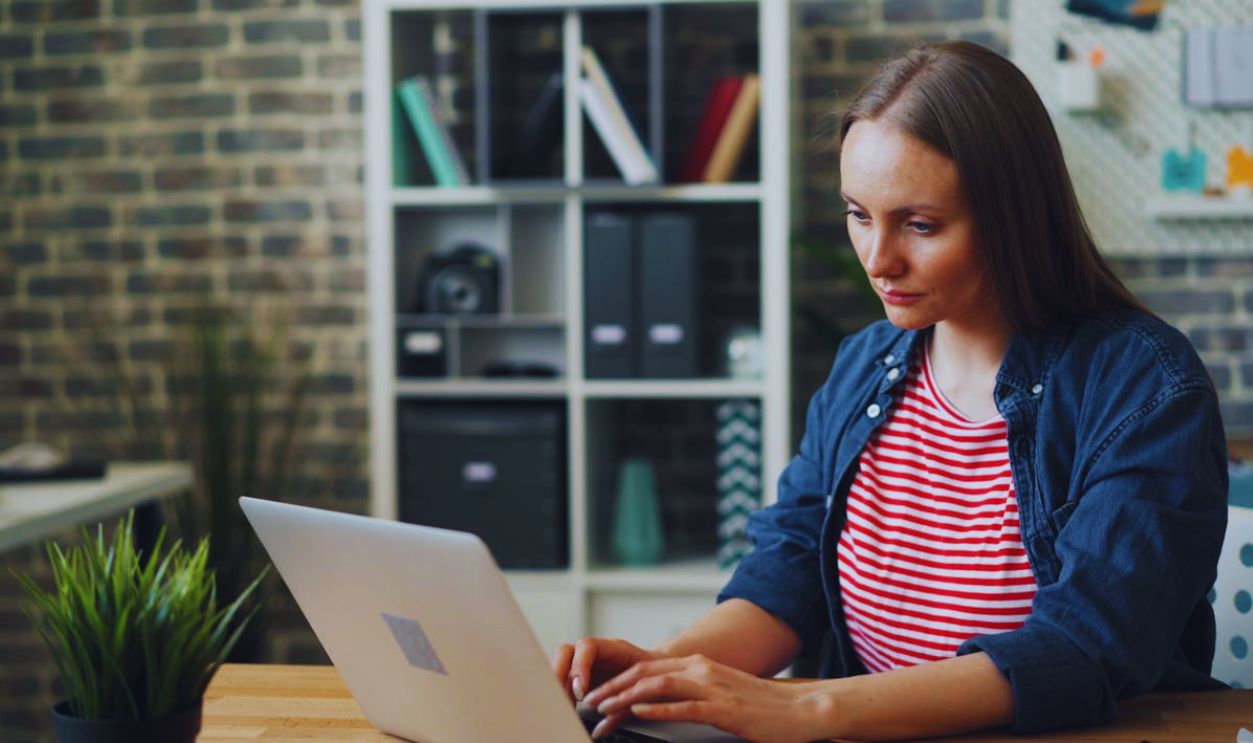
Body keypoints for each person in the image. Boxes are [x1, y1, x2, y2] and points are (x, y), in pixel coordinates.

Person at [552, 40, 1230, 742]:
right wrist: (663, 670)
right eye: (857, 213)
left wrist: (805, 707)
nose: (878, 260)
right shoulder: (865, 364)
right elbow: (789, 568)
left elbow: (1084, 645)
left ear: (1014, 216)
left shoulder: (1142, 386)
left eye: (919, 224)